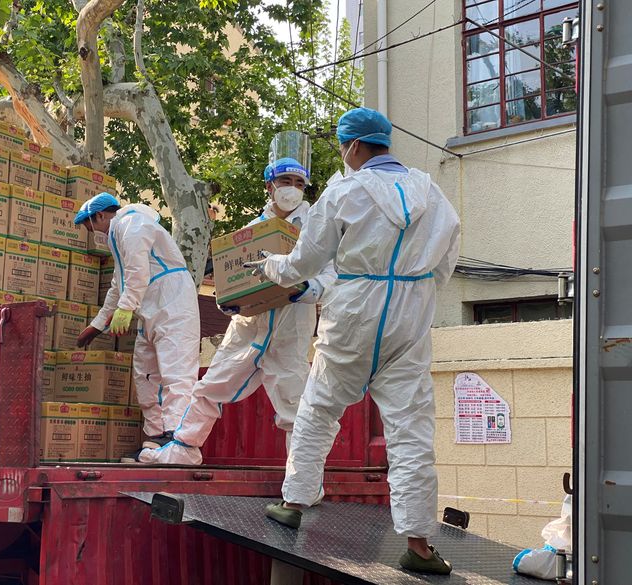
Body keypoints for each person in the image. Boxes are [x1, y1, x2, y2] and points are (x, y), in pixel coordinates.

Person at [247, 108, 461, 575]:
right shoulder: (433, 192)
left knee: (319, 407)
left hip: (354, 314)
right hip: (410, 316)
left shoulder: (344, 191)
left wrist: (268, 266)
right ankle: (420, 545)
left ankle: (295, 504)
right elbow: (446, 264)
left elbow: (302, 264)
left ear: (353, 147)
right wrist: (414, 288)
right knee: (411, 430)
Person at [137, 158, 336, 466]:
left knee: (295, 407)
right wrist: (227, 303)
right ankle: (183, 450)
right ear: (269, 187)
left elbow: (331, 276)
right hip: (248, 328)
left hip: (289, 331)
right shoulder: (250, 233)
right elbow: (230, 282)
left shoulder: (315, 232)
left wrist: (305, 289)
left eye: (299, 184)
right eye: (285, 182)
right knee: (209, 387)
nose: (292, 190)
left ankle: (301, 479)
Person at [74, 193, 201, 464]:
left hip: (173, 302)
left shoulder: (131, 225)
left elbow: (137, 271)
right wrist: (98, 325)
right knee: (146, 373)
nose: (90, 232)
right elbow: (118, 284)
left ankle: (178, 439)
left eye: (88, 225)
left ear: (99, 216)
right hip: (150, 307)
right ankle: (156, 439)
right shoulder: (117, 236)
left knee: (176, 372)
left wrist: (126, 307)